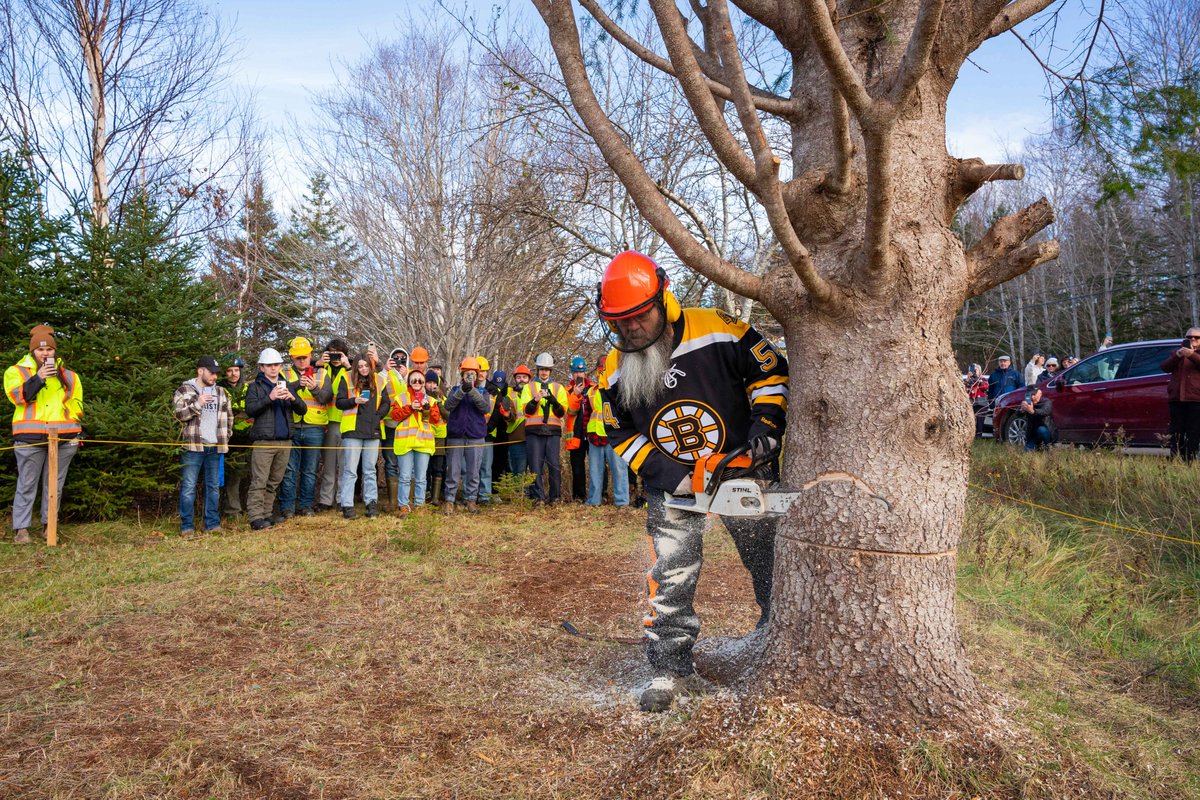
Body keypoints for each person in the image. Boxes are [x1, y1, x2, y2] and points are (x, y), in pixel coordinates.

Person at [595, 251, 787, 712]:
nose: (631, 329)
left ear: (664, 299)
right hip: (673, 482)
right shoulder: (613, 369)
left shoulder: (719, 328)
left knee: (770, 556)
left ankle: (777, 639)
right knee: (672, 572)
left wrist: (766, 428)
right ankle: (670, 667)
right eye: (619, 322)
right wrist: (671, 476)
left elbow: (771, 372)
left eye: (639, 316)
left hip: (741, 469)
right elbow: (619, 432)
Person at [4, 325, 83, 544]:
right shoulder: (15, 372)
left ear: (55, 351)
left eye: (49, 349)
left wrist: (75, 433)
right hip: (28, 438)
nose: (45, 353)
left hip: (64, 439)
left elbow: (77, 406)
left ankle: (50, 527)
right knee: (26, 484)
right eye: (40, 350)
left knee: (55, 485)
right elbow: (18, 398)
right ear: (33, 351)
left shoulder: (69, 376)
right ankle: (21, 529)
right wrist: (38, 378)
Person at [244, 348, 307, 531]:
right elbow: (250, 410)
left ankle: (267, 514)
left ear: (280, 366)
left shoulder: (286, 385)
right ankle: (256, 517)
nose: (273, 368)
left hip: (285, 441)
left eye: (276, 365)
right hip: (264, 442)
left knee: (274, 481)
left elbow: (303, 410)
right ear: (262, 367)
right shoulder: (255, 387)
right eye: (269, 365)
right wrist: (269, 398)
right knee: (259, 481)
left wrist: (293, 398)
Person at [172, 355, 233, 537]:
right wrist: (197, 404)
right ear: (200, 371)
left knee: (213, 487)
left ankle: (212, 525)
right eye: (211, 373)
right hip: (193, 448)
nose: (215, 376)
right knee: (189, 487)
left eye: (216, 373)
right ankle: (187, 527)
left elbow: (229, 417)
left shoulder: (221, 392)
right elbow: (179, 415)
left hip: (215, 447)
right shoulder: (184, 390)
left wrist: (226, 436)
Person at [278, 337, 334, 519]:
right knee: (289, 470)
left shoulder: (322, 373)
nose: (302, 361)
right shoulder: (284, 372)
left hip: (314, 427)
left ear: (311, 355)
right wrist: (297, 386)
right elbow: (279, 393)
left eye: (305, 357)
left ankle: (306, 505)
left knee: (310, 470)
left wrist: (315, 388)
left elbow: (327, 398)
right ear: (292, 357)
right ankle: (287, 507)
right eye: (298, 358)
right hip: (291, 426)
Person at [335, 353, 391, 518]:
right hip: (352, 430)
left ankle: (371, 503)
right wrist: (354, 401)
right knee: (350, 470)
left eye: (366, 365)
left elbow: (386, 402)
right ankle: (347, 505)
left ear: (371, 366)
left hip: (373, 430)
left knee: (370, 470)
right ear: (355, 367)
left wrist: (377, 416)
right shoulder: (346, 378)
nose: (363, 369)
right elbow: (339, 402)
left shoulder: (380, 380)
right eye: (360, 366)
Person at [441, 357, 490, 513]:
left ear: (477, 375)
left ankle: (471, 500)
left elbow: (485, 408)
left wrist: (472, 391)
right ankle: (449, 500)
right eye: (467, 373)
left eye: (473, 374)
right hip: (456, 436)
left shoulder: (483, 391)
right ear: (462, 375)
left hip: (476, 436)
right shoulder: (455, 390)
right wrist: (462, 390)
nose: (470, 376)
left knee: (474, 471)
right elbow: (448, 406)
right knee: (453, 470)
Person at [390, 367, 441, 514]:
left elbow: (436, 419)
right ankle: (403, 506)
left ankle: (419, 506)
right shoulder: (401, 398)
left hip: (423, 443)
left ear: (424, 383)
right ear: (409, 382)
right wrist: (410, 408)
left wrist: (427, 409)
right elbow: (395, 416)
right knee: (405, 477)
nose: (417, 382)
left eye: (420, 380)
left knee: (421, 478)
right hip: (405, 442)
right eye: (414, 380)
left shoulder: (430, 400)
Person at [520, 352, 568, 506]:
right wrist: (536, 399)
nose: (544, 372)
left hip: (553, 431)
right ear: (537, 370)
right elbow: (526, 411)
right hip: (534, 431)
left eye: (546, 369)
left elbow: (562, 412)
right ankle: (538, 498)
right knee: (535, 465)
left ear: (550, 370)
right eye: (541, 369)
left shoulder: (559, 388)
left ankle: (555, 497)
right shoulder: (529, 387)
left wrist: (553, 401)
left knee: (554, 464)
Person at [584, 355, 629, 507]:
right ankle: (593, 501)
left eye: (606, 368)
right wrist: (587, 434)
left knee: (619, 470)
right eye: (601, 368)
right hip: (595, 436)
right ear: (597, 370)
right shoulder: (591, 391)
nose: (603, 371)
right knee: (595, 471)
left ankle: (622, 502)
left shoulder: (620, 390)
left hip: (615, 437)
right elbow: (586, 415)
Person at [316, 339, 352, 512]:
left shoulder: (351, 370)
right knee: (329, 464)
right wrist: (318, 363)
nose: (335, 357)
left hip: (346, 420)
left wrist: (348, 366)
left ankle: (342, 499)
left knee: (345, 464)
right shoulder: (322, 369)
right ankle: (325, 500)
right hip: (328, 421)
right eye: (332, 353)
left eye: (339, 353)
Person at [218, 355, 252, 518]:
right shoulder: (219, 390)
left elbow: (253, 410)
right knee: (232, 477)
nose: (233, 374)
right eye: (229, 370)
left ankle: (250, 508)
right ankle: (233, 510)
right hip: (229, 439)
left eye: (236, 370)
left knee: (249, 475)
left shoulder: (248, 388)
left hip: (249, 438)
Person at [1161, 328, 1200, 461]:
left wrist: (1192, 355)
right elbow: (1165, 367)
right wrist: (1177, 355)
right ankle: (1176, 460)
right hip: (1177, 399)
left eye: (1196, 337)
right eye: (1189, 337)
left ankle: (1190, 462)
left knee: (1193, 433)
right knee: (1176, 433)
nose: (1192, 339)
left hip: (1196, 400)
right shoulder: (1177, 353)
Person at [379, 346, 410, 510]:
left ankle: (405, 500)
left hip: (407, 427)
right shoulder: (385, 374)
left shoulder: (411, 376)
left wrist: (406, 377)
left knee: (406, 464)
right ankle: (392, 502)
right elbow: (377, 385)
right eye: (395, 357)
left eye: (402, 358)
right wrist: (386, 369)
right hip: (389, 424)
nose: (399, 361)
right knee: (391, 462)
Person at [563, 355, 592, 503]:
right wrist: (575, 395)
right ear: (572, 373)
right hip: (575, 435)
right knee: (577, 467)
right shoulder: (567, 391)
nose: (578, 375)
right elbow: (570, 411)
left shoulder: (594, 389)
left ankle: (600, 495)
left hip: (592, 434)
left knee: (597, 467)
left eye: (581, 372)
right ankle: (579, 496)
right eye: (575, 372)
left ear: (585, 372)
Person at [424, 370, 448, 504]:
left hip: (439, 437)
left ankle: (436, 497)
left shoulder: (443, 399)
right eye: (429, 382)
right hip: (425, 435)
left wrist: (438, 401)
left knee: (438, 468)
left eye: (434, 383)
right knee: (426, 467)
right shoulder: (422, 397)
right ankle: (426, 493)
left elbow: (448, 415)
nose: (431, 385)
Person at [506, 365, 532, 476]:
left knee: (535, 472)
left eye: (524, 377)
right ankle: (518, 489)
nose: (522, 380)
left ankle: (533, 489)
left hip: (535, 437)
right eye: (519, 377)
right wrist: (507, 415)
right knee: (518, 472)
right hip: (517, 438)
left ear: (529, 379)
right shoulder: (510, 395)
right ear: (515, 379)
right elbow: (509, 416)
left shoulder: (535, 393)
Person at [1018, 386, 1054, 451]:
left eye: (1034, 394)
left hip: (1046, 431)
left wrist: (1032, 411)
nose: (1032, 397)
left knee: (1041, 430)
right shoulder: (1028, 403)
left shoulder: (1046, 402)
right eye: (1030, 395)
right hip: (1032, 434)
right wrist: (1021, 410)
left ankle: (1048, 446)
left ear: (1040, 393)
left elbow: (1045, 411)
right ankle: (1037, 446)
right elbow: (1018, 414)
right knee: (1027, 451)